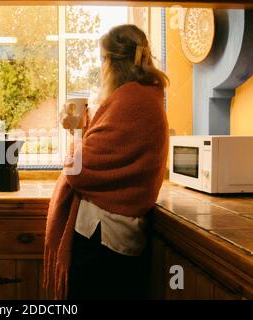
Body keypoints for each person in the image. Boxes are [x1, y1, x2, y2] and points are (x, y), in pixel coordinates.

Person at [44, 24, 170, 300]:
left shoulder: (130, 99)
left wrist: (77, 129)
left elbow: (79, 170)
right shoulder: (147, 96)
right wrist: (86, 125)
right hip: (120, 233)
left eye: (103, 59)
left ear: (112, 61)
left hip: (104, 238)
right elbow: (113, 151)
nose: (102, 68)